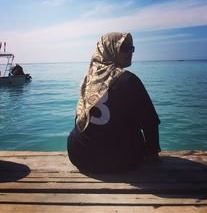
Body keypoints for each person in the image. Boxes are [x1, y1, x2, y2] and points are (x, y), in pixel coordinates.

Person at [67, 32, 161, 173]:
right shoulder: (129, 80)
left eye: (132, 48)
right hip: (122, 160)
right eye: (124, 48)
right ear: (109, 49)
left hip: (79, 155)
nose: (130, 52)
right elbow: (149, 122)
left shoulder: (89, 79)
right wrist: (153, 152)